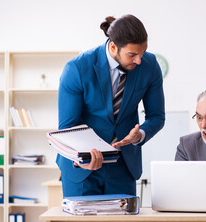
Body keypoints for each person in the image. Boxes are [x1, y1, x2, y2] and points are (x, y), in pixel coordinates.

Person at [57, 14, 165, 197]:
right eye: (132, 55)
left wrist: (140, 135)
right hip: (83, 165)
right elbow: (67, 127)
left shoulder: (150, 65)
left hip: (123, 165)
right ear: (113, 46)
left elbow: (157, 116)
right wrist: (82, 157)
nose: (139, 60)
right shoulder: (77, 68)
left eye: (142, 53)